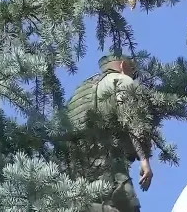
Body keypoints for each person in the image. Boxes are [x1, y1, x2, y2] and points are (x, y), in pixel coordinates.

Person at [64, 54, 153, 212]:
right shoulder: (122, 80)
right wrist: (144, 159)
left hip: (75, 170)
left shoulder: (80, 91)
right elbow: (131, 120)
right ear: (123, 66)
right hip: (109, 164)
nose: (134, 76)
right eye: (133, 71)